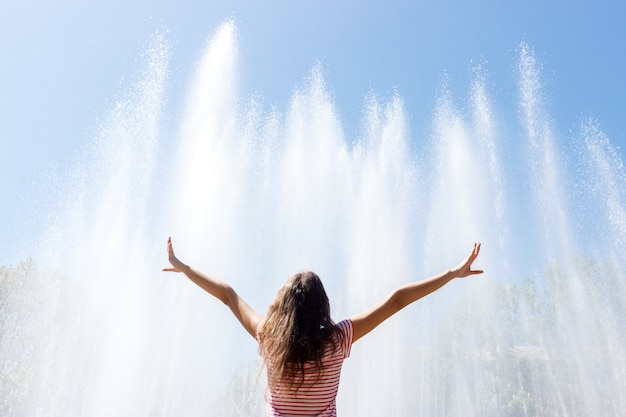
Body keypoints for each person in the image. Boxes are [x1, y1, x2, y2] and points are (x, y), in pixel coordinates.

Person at [163, 237, 483, 416]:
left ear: (283, 308)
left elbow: (228, 296)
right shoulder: (337, 340)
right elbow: (396, 300)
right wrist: (451, 274)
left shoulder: (268, 339)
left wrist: (184, 268)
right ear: (322, 307)